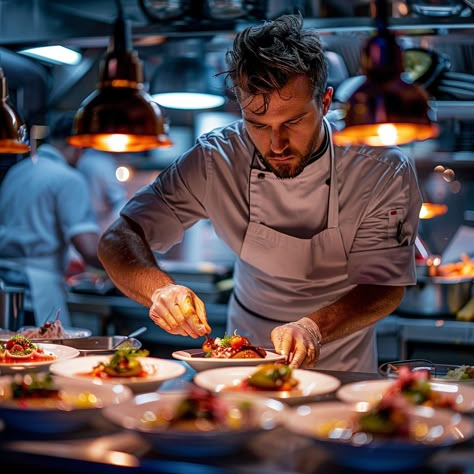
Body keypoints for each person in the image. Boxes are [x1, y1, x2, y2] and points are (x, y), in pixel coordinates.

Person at [97, 14, 422, 372]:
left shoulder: (379, 168)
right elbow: (119, 238)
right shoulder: (215, 160)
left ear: (326, 103)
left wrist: (312, 328)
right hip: (243, 349)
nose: (277, 143)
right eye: (258, 125)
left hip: (341, 356)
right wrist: (159, 290)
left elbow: (386, 285)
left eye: (293, 122)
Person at [0, 115, 102, 326]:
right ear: (76, 146)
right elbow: (89, 249)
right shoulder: (68, 179)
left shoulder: (17, 172)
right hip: (38, 291)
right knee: (46, 353)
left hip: (5, 288)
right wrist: (127, 266)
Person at [76, 148, 128, 234]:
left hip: (85, 221)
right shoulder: (103, 162)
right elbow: (117, 198)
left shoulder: (82, 159)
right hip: (101, 222)